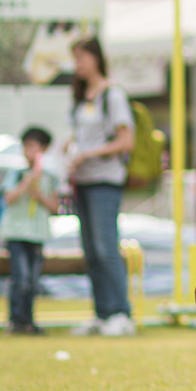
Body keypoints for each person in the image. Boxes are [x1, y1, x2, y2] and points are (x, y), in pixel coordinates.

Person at [65, 36, 137, 337]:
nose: (77, 64)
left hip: (105, 180)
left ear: (95, 58)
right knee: (91, 251)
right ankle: (102, 313)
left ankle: (121, 313)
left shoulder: (112, 95)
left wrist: (87, 154)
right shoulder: (82, 98)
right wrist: (70, 149)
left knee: (107, 247)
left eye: (81, 57)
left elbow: (126, 140)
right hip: (81, 181)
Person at [0, 127, 61, 335]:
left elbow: (55, 207)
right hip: (16, 233)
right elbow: (8, 199)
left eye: (33, 147)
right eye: (25, 147)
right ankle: (15, 320)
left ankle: (28, 320)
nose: (28, 152)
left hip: (37, 234)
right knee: (21, 278)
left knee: (33, 281)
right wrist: (27, 183)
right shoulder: (16, 174)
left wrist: (38, 194)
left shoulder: (50, 177)